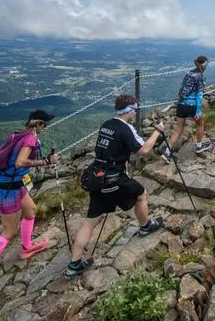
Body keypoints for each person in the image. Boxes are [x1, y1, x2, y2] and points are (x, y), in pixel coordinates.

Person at [65, 96, 165, 279]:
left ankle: (74, 264)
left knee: (90, 221)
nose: (135, 112)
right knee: (142, 194)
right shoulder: (125, 128)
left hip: (97, 178)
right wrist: (157, 131)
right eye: (134, 109)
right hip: (114, 179)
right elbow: (144, 150)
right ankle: (145, 226)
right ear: (129, 110)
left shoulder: (106, 125)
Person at [0, 110, 57, 301]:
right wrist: (46, 162)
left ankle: (26, 248)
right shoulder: (30, 139)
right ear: (38, 124)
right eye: (45, 124)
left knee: (31, 210)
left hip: (12, 184)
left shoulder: (21, 134)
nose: (45, 127)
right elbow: (20, 162)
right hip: (8, 189)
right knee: (8, 232)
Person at [162, 56, 211, 160]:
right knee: (200, 124)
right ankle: (199, 146)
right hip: (192, 105)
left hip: (181, 104)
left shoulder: (188, 73)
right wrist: (198, 110)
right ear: (205, 65)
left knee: (178, 130)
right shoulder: (200, 76)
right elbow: (199, 95)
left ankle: (166, 152)